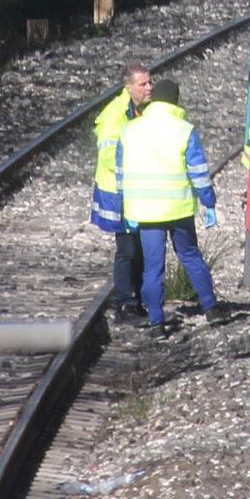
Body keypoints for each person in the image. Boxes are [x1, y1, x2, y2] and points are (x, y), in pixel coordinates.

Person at [117, 75, 219, 338]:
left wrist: (126, 207)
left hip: (145, 211)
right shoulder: (184, 129)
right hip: (178, 210)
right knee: (191, 256)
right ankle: (212, 310)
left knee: (153, 267)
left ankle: (156, 322)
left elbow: (120, 172)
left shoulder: (130, 130)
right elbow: (198, 171)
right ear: (176, 101)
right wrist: (208, 202)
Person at [87, 63, 156, 320]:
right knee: (127, 249)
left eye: (150, 82)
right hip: (119, 194)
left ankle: (134, 301)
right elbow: (110, 157)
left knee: (137, 247)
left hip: (132, 191)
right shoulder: (116, 116)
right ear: (129, 88)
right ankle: (126, 304)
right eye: (143, 84)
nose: (149, 88)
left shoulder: (138, 110)